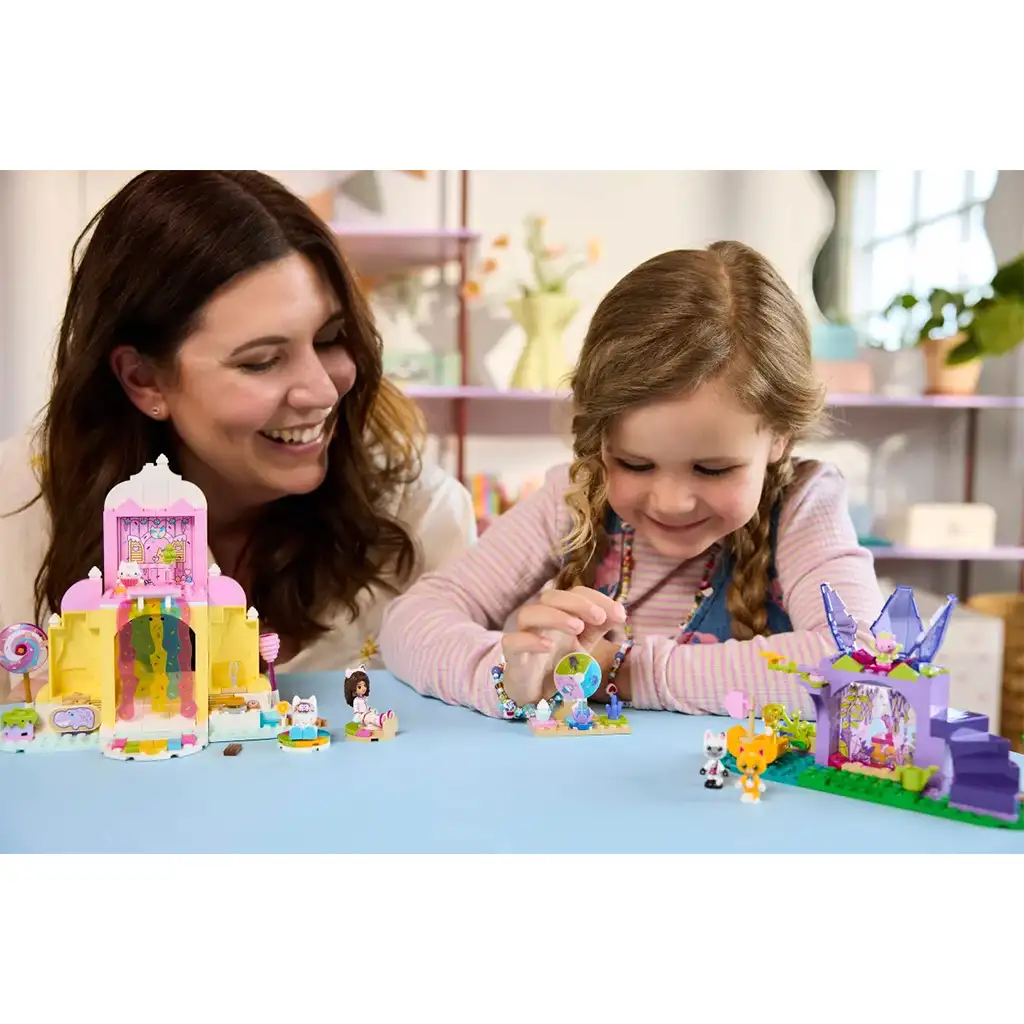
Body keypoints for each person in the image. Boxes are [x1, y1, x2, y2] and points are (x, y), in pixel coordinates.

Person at [0, 170, 475, 701]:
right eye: (262, 361)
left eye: (331, 338)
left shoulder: (420, 517)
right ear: (143, 379)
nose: (322, 391)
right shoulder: (19, 506)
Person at [379, 241, 883, 719]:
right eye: (636, 465)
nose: (671, 501)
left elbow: (864, 669)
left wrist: (616, 672)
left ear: (781, 438)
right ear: (599, 439)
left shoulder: (802, 506)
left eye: (712, 469)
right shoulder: (571, 499)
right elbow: (411, 620)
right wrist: (507, 677)